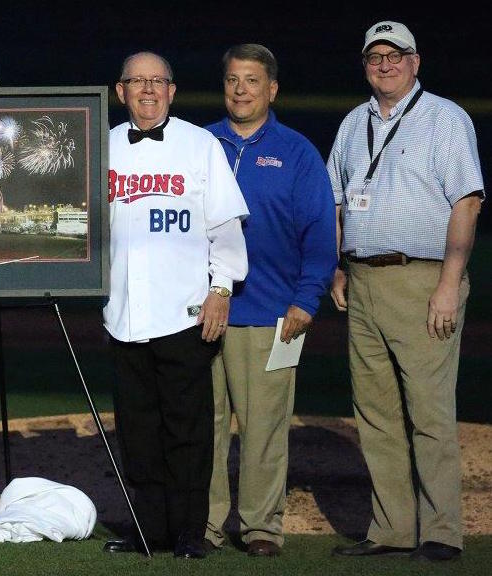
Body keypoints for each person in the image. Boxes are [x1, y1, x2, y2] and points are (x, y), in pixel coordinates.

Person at [327, 21, 484, 562]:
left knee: (429, 411)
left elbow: (467, 202)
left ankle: (441, 531)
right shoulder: (352, 123)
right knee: (375, 413)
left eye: (396, 55)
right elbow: (340, 203)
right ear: (365, 63)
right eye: (375, 56)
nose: (385, 64)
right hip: (364, 281)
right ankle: (391, 529)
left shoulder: (444, 118)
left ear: (416, 62)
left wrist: (448, 284)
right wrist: (340, 268)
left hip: (423, 279)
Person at [103, 51, 249, 558]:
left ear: (172, 90)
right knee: (138, 432)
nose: (147, 90)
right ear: (120, 92)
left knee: (188, 431)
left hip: (184, 313)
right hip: (122, 316)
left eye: (157, 81)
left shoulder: (199, 144)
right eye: (137, 82)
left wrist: (221, 289)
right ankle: (150, 531)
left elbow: (226, 231)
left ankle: (190, 533)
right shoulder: (102, 150)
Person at [203, 44, 337, 557]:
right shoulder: (202, 143)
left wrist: (307, 298)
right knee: (206, 427)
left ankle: (261, 526)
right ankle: (208, 524)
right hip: (203, 313)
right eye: (233, 79)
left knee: (263, 428)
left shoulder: (298, 152)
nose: (241, 89)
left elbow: (321, 233)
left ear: (272, 89)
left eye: (252, 80)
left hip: (271, 313)